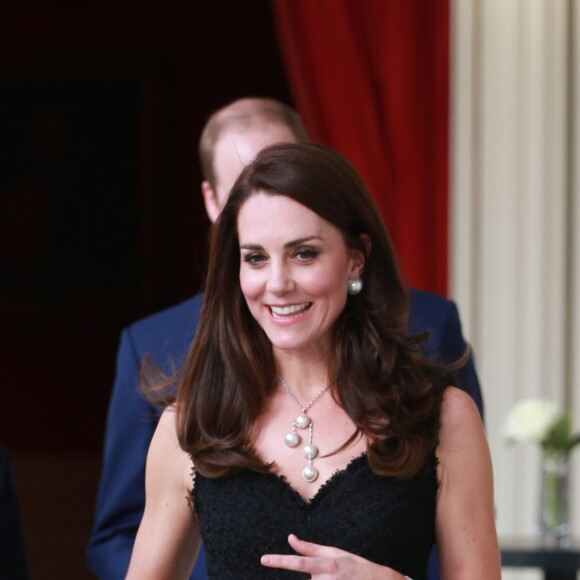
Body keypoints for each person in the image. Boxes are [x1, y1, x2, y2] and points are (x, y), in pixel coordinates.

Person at [87, 97, 483, 580]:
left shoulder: (445, 418)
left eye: (304, 254)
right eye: (255, 257)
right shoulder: (190, 423)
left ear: (356, 258)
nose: (276, 283)